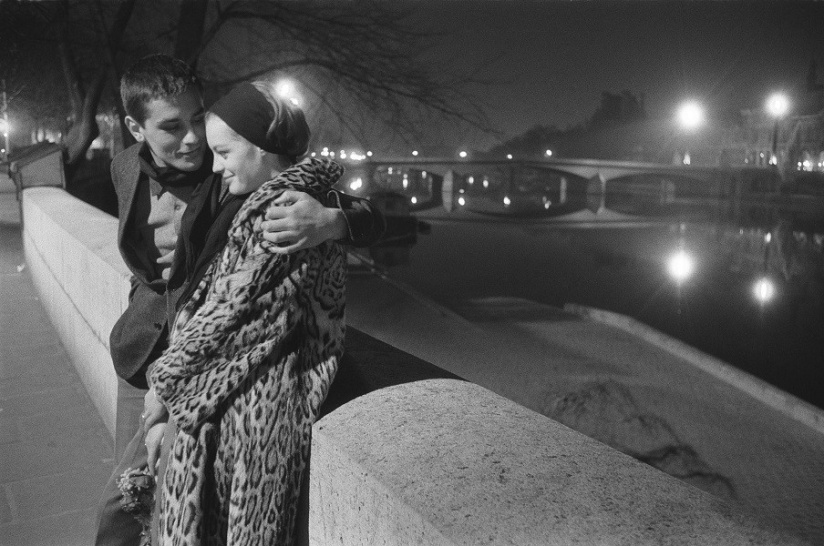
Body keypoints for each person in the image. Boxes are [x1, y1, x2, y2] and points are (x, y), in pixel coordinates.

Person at [94, 55, 383, 546]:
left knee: (119, 516)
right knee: (138, 504)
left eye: (196, 118)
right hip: (140, 353)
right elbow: (146, 268)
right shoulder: (125, 169)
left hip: (194, 369)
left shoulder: (229, 168)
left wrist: (332, 220)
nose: (191, 139)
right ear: (134, 128)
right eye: (171, 126)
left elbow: (314, 193)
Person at [146, 81, 345, 545]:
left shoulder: (283, 214)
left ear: (261, 148)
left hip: (253, 413)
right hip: (243, 400)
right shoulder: (277, 201)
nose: (215, 166)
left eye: (225, 152)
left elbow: (234, 321)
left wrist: (164, 383)